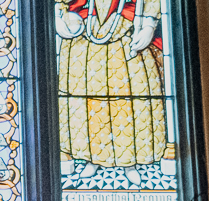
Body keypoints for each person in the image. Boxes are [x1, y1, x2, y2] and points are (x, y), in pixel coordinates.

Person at [55, 1, 169, 173]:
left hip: (127, 29)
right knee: (88, 100)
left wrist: (148, 25)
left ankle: (129, 162)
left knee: (128, 100)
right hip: (84, 29)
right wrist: (57, 16)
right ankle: (91, 158)